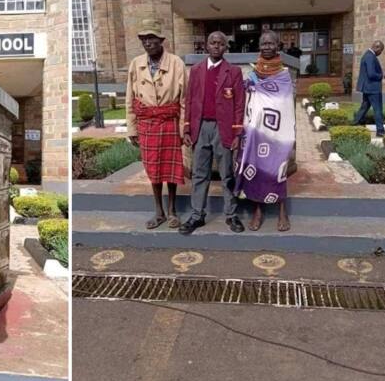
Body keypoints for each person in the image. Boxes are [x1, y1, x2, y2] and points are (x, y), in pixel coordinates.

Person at [180, 31, 246, 235]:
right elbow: (189, 100)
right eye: (212, 43)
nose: (216, 46)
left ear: (226, 47)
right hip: (201, 128)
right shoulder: (197, 70)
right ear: (206, 46)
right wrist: (188, 128)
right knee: (200, 173)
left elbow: (239, 104)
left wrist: (237, 134)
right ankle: (197, 215)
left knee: (227, 173)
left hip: (223, 128)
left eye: (220, 43)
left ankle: (231, 214)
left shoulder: (233, 72)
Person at [125, 19, 188, 229]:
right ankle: (158, 211)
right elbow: (130, 98)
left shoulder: (176, 63)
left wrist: (182, 129)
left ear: (161, 40)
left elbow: (184, 100)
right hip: (147, 124)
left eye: (152, 38)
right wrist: (132, 128)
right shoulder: (136, 64)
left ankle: (172, 210)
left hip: (169, 121)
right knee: (152, 168)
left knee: (170, 168)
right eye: (144, 39)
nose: (148, 43)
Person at [235, 30, 294, 232]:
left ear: (278, 46)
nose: (267, 47)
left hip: (278, 133)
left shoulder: (284, 75)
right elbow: (246, 99)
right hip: (255, 130)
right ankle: (257, 211)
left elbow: (286, 105)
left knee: (279, 169)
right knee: (255, 169)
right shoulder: (252, 74)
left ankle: (282, 211)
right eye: (263, 44)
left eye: (271, 44)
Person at [353, 41, 385, 137]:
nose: (381, 53)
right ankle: (380, 131)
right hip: (373, 88)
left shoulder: (367, 55)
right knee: (378, 109)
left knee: (364, 107)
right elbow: (371, 74)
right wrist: (383, 75)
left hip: (368, 87)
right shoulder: (370, 56)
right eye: (381, 50)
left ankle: (354, 124)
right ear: (377, 48)